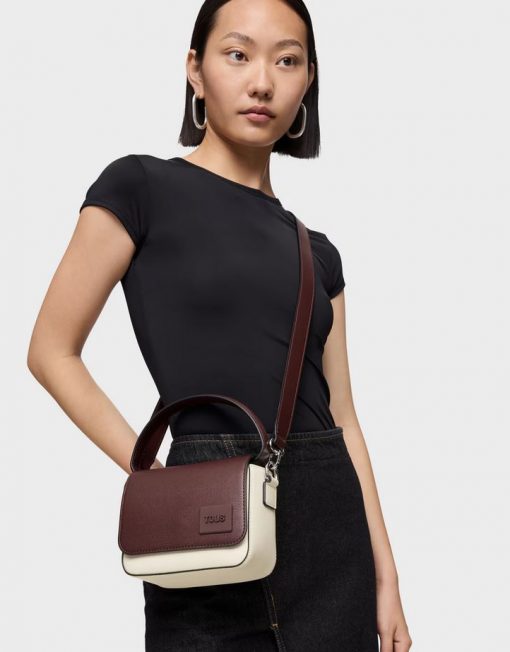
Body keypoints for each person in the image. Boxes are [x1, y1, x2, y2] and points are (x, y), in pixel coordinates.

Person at [27, 0, 412, 650]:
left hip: (331, 541)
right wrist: (150, 474)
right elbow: (50, 351)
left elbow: (345, 418)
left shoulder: (318, 252)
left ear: (307, 81)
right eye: (238, 54)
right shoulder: (139, 187)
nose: (262, 81)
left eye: (287, 61)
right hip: (208, 523)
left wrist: (386, 577)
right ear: (196, 71)